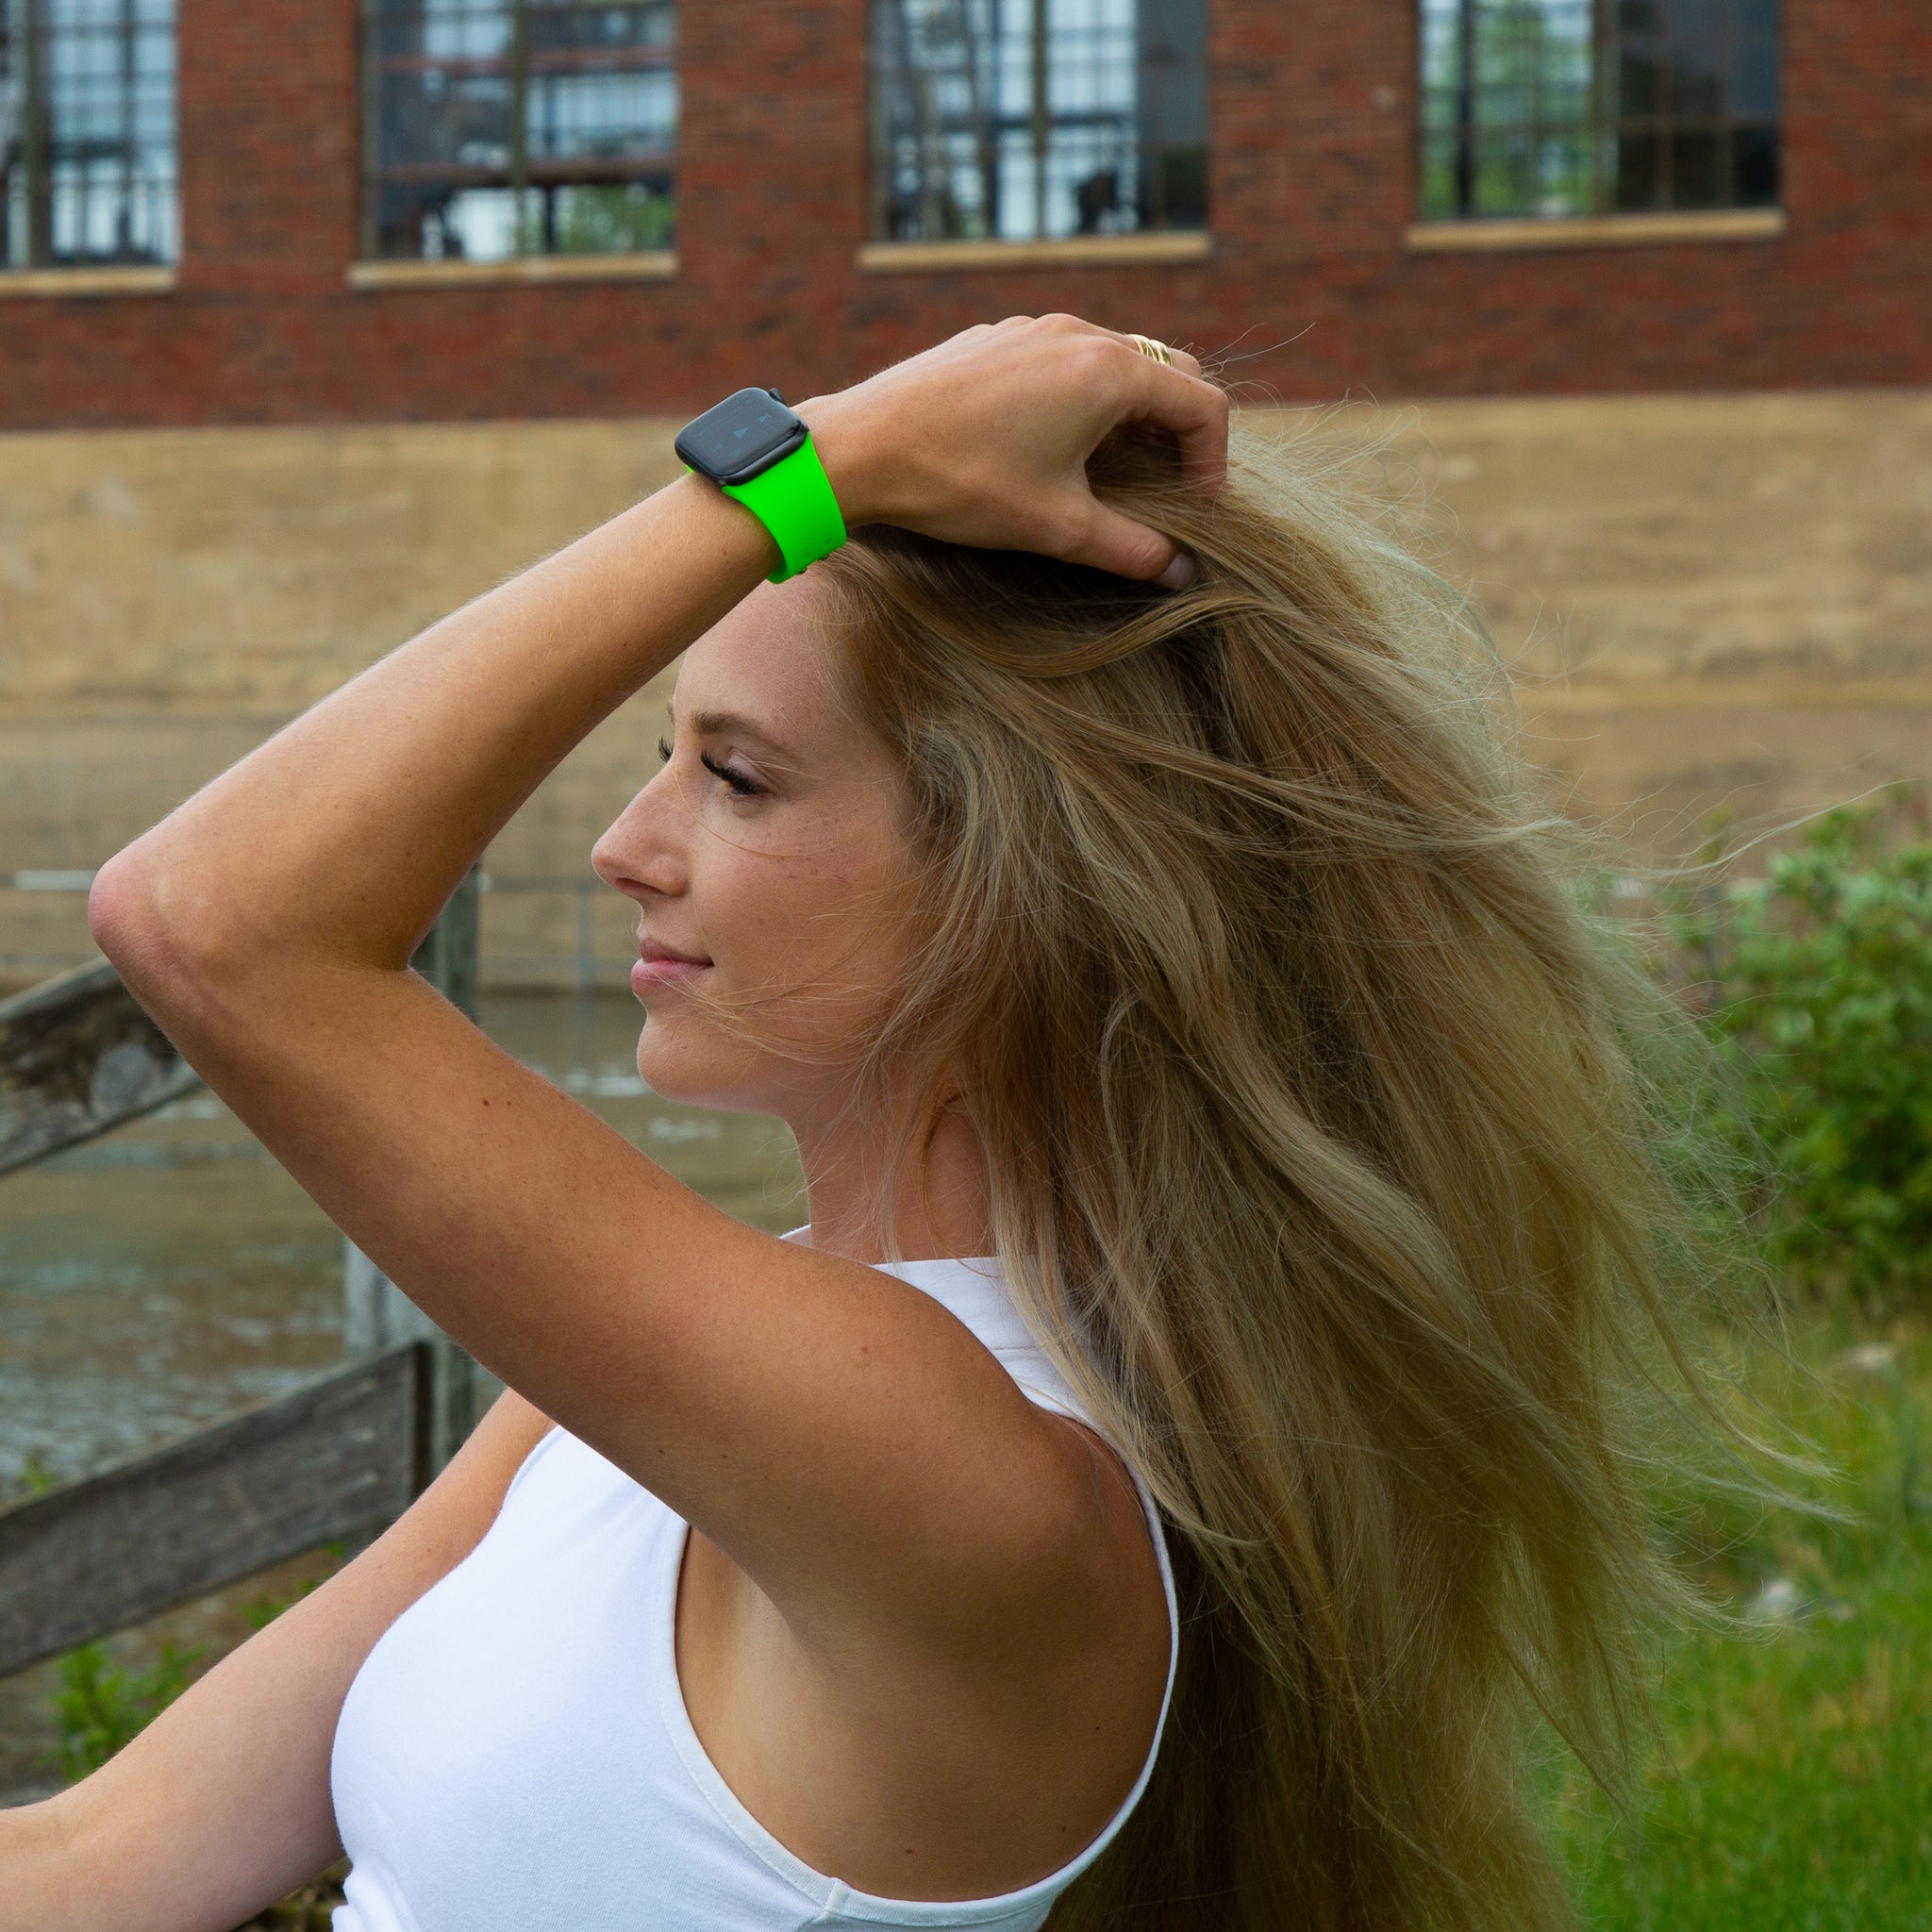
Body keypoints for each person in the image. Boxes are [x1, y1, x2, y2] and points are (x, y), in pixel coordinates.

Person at [0, 317, 1699, 1931]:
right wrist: (829, 478)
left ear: (1024, 885)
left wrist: (825, 461)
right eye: (665, 754)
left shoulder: (966, 1470)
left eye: (735, 777)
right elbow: (98, 1862)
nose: (624, 847)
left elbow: (215, 921)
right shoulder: (662, 1396)